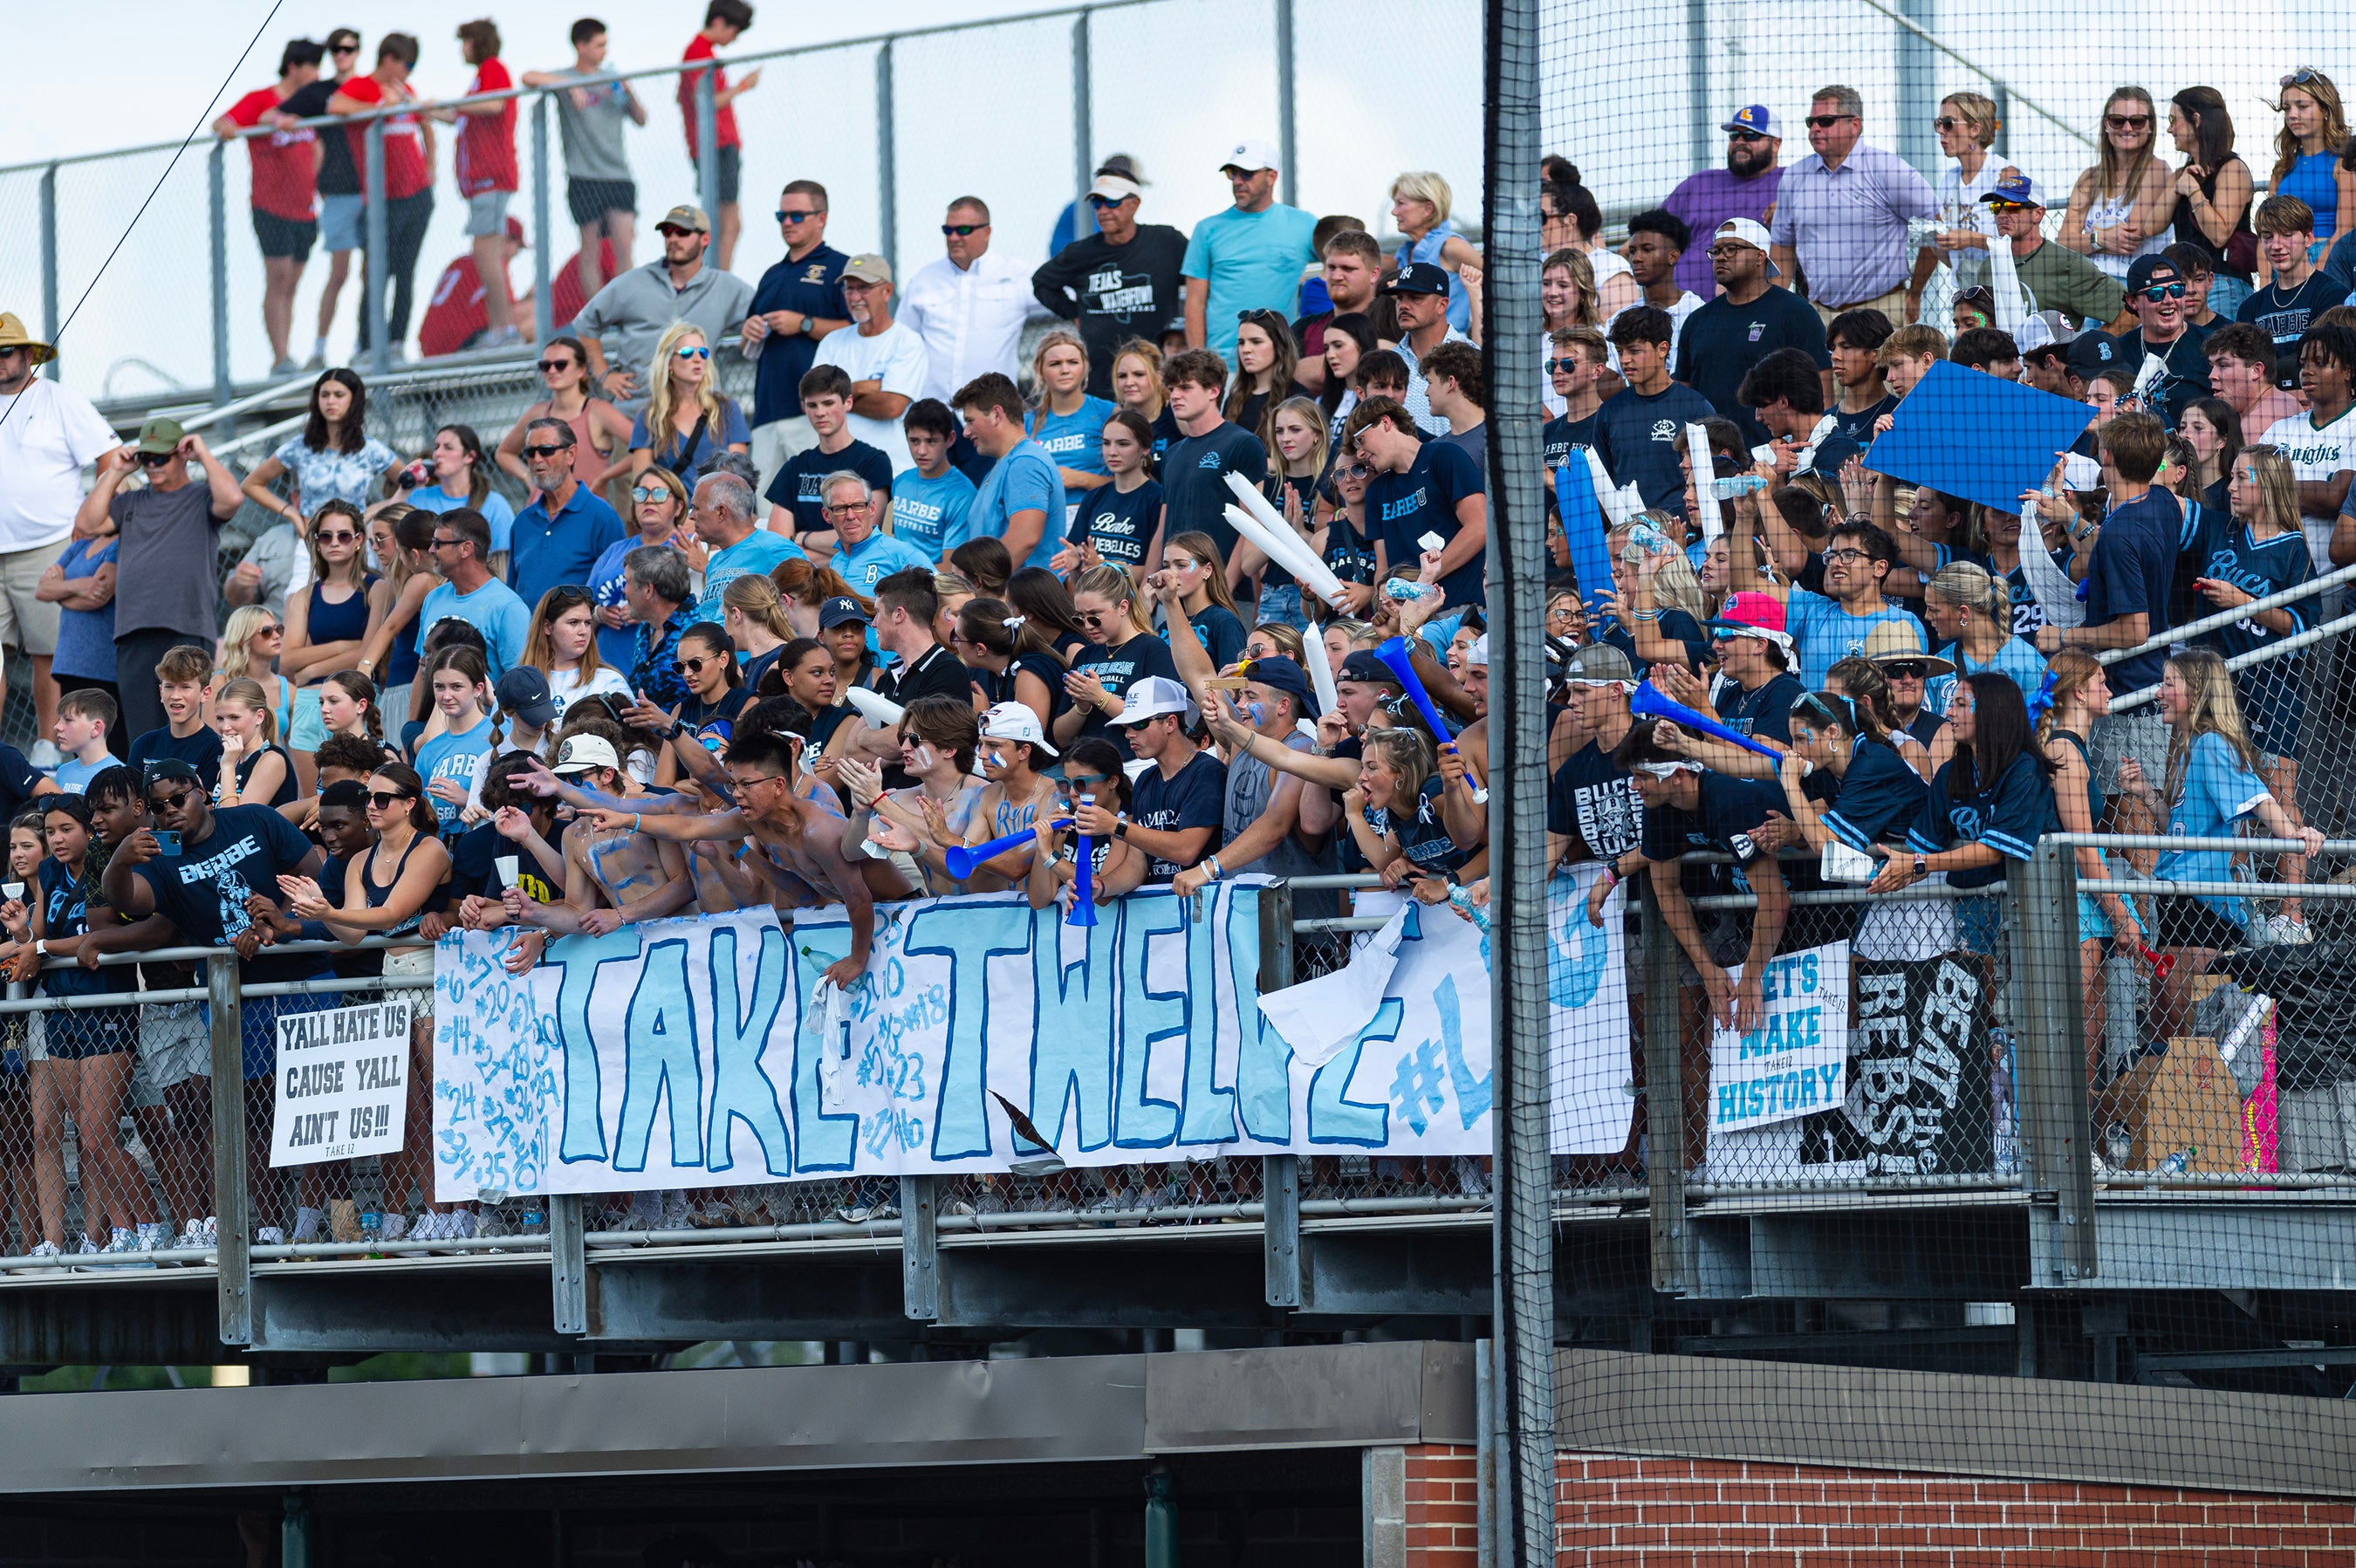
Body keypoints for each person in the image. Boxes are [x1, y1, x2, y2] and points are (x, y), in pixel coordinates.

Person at [2125, 650, 2325, 1037]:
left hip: (2202, 901)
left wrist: (2293, 834)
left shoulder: (2214, 744)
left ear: (2198, 691)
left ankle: (2193, 1096)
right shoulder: (2190, 747)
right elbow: (2182, 825)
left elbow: (2258, 798)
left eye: (2169, 683)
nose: (2159, 692)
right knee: (2165, 1014)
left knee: (2180, 1019)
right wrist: (2147, 794)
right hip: (2177, 894)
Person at [2190, 444, 2318, 940]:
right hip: (2225, 683)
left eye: (2243, 478)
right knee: (2231, 792)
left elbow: (2300, 625)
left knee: (2279, 790)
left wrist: (2244, 603)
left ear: (2267, 485)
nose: (2233, 486)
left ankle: (2294, 912)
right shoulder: (2222, 529)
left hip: (2275, 682)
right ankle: (2240, 899)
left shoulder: (2292, 548)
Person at [2032, 411, 2176, 806]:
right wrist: (2070, 518)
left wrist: (2064, 637)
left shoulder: (2120, 533)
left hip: (2128, 693)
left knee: (2129, 816)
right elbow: (2114, 553)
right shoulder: (2161, 500)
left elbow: (2135, 630)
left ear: (2107, 456)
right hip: (2146, 684)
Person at [76, 421, 239, 743]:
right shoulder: (131, 501)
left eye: (160, 458)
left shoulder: (201, 495)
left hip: (187, 627)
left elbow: (232, 499)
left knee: (190, 729)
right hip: (135, 632)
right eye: (146, 457)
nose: (151, 465)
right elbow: (87, 523)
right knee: (145, 735)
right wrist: (116, 472)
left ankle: (192, 794)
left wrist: (203, 453)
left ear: (182, 455)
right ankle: (151, 794)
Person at [0, 314, 116, 761]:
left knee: (48, 654)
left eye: (5, 351)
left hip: (50, 545)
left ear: (29, 355)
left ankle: (49, 745)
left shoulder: (61, 401)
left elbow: (110, 455)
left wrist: (85, 530)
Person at [1769, 85, 1936, 326]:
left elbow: (1935, 224)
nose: (1815, 129)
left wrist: (1916, 291)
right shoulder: (1795, 177)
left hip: (1882, 312)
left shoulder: (1889, 169)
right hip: (1818, 315)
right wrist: (1775, 306)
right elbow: (1782, 247)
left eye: (1825, 121)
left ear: (1854, 125)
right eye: (1811, 122)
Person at [236, 370, 399, 611]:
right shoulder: (300, 446)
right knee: (298, 601)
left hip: (356, 539)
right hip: (314, 540)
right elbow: (250, 483)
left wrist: (375, 509)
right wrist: (291, 513)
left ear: (354, 400)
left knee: (364, 601)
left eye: (339, 395)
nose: (331, 401)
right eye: (325, 395)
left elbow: (413, 482)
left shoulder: (370, 448)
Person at [214, 38, 328, 375]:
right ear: (294, 66)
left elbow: (318, 143)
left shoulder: (309, 103)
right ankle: (280, 358)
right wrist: (236, 129)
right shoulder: (261, 99)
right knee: (277, 279)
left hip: (305, 209)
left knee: (292, 283)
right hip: (270, 206)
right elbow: (222, 123)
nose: (316, 74)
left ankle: (287, 353)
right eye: (312, 66)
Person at [573, 203, 752, 414]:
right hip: (634, 415)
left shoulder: (726, 287)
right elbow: (585, 324)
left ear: (705, 239)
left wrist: (753, 327)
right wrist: (604, 375)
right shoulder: (633, 282)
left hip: (696, 419)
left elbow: (764, 317)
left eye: (683, 232)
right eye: (668, 232)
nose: (673, 239)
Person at [1031, 172, 1189, 398]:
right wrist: (1073, 313)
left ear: (1134, 204)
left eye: (1112, 202)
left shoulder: (1166, 242)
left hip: (1159, 377)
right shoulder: (1082, 253)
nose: (1103, 211)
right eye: (1097, 203)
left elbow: (1200, 277)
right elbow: (1041, 282)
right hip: (1104, 381)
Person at [522, 17, 646, 305]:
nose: (604, 50)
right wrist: (569, 85)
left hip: (617, 173)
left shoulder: (612, 78)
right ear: (581, 46)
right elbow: (527, 76)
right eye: (599, 45)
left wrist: (629, 90)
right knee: (589, 248)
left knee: (624, 246)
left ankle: (626, 310)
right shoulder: (565, 77)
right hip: (583, 175)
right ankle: (598, 314)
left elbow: (641, 118)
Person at [1675, 218, 1828, 447]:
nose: (1721, 257)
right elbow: (1683, 394)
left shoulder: (1795, 312)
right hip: (1712, 458)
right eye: (1716, 251)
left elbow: (1821, 386)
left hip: (1778, 456)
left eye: (1732, 249)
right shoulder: (1697, 321)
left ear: (1760, 256)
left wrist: (1813, 445)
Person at [330, 33, 436, 360]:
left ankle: (395, 342)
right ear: (389, 60)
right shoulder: (363, 86)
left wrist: (431, 168)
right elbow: (336, 106)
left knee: (406, 272)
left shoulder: (407, 91)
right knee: (376, 272)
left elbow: (425, 125)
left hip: (416, 195)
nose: (409, 72)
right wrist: (379, 108)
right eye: (408, 65)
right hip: (382, 199)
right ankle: (367, 344)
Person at [739, 179, 850, 484]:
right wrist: (748, 332)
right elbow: (746, 348)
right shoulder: (771, 275)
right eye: (782, 216)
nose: (787, 223)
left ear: (821, 218)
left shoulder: (841, 268)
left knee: (818, 504)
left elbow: (857, 331)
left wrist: (803, 323)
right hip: (766, 412)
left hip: (815, 412)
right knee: (764, 511)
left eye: (796, 216)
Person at [899, 197, 1048, 405]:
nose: (954, 237)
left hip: (993, 411)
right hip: (936, 412)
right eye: (948, 230)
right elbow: (903, 341)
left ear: (986, 233)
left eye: (963, 230)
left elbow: (1066, 297)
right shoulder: (923, 280)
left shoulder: (1016, 274)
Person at [1181, 140, 1317, 359]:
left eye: (1246, 173)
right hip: (1224, 366)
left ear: (1271, 177)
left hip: (1283, 364)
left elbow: (1347, 259)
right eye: (1232, 173)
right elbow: (1194, 302)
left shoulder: (1303, 224)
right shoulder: (1207, 229)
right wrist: (1199, 363)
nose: (1237, 181)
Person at [1348, 395, 1485, 609]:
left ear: (1385, 422)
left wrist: (1424, 580)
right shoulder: (1377, 491)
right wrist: (1384, 602)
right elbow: (1382, 568)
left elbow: (1479, 527)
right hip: (1408, 617)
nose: (1359, 453)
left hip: (1460, 608)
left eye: (1361, 440)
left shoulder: (1445, 456)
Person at [280, 29, 366, 366]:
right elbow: (276, 113)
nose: (342, 54)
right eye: (336, 49)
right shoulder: (318, 91)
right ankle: (319, 347)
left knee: (372, 273)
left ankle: (366, 344)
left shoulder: (368, 86)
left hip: (372, 192)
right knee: (339, 273)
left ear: (358, 51)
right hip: (339, 194)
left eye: (349, 48)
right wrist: (283, 119)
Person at [1151, 348, 1268, 583]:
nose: (1174, 395)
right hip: (1173, 589)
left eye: (1185, 387)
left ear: (1213, 390)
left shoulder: (1243, 443)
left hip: (1224, 589)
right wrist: (1150, 590)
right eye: (1172, 388)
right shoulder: (1172, 453)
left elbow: (1252, 524)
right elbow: (1163, 528)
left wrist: (1226, 585)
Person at [278, 499, 386, 752]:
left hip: (358, 703)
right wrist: (342, 646)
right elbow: (288, 658)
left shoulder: (377, 588)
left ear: (359, 539)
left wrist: (312, 668)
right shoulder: (304, 595)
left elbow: (367, 654)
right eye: (326, 536)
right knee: (312, 792)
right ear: (316, 542)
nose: (335, 542)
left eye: (344, 536)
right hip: (311, 702)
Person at [1593, 307, 1716, 514]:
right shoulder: (1609, 412)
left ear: (1662, 349)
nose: (1624, 360)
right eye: (1620, 351)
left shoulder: (1695, 408)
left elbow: (1712, 475)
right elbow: (1600, 482)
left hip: (1682, 533)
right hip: (1627, 533)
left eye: (1634, 351)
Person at [812, 254, 927, 475]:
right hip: (837, 474)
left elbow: (892, 407)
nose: (855, 297)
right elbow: (810, 403)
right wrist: (862, 387)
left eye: (864, 288)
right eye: (849, 289)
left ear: (887, 291)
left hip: (892, 470)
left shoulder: (907, 341)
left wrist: (836, 399)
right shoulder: (832, 341)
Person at [2259, 322, 2356, 574]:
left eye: (2320, 363)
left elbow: (2337, 497)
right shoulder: (2278, 430)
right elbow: (2246, 488)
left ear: (2348, 370)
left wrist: (2271, 487)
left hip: (2329, 580)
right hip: (2273, 574)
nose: (2307, 372)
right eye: (2303, 364)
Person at [1662, 104, 1785, 301]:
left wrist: (1790, 210)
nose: (1739, 141)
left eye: (1750, 136)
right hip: (1682, 309)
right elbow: (1653, 231)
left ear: (1776, 144)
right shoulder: (1700, 183)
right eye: (1734, 135)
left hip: (1751, 307)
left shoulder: (1789, 182)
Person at [449, 18, 522, 348]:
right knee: (486, 254)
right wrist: (425, 110)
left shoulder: (494, 69)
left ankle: (502, 328)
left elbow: (495, 104)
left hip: (491, 178)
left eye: (465, 41)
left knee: (486, 254)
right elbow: (459, 116)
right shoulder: (480, 78)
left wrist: (456, 104)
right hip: (480, 183)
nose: (462, 49)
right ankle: (501, 328)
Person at [1054, 565, 1181, 754]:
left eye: (1094, 616)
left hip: (1134, 764)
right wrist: (1081, 708)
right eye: (1080, 617)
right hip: (1088, 767)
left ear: (1123, 607)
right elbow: (1061, 738)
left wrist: (1101, 698)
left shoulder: (1152, 649)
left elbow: (1160, 725)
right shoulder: (1085, 655)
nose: (1087, 626)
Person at [510, 418, 628, 619]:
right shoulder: (522, 522)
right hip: (530, 644)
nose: (537, 459)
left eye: (546, 450)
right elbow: (513, 593)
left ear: (570, 454)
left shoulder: (602, 517)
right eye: (530, 452)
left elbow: (617, 590)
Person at [763, 366, 893, 547]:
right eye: (812, 405)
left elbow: (863, 540)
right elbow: (778, 546)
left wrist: (801, 538)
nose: (820, 413)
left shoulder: (873, 462)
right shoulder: (795, 467)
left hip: (853, 574)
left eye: (828, 403)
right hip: (800, 575)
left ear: (848, 402)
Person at [949, 373, 1066, 573]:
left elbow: (1025, 538)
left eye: (970, 421)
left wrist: (978, 587)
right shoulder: (1006, 463)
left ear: (996, 414)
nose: (966, 432)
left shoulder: (1025, 462)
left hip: (1024, 601)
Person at [2060, 86, 2177, 283]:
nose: (2127, 128)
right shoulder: (2089, 178)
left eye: (2137, 121)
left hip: (2136, 283)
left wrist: (2085, 241)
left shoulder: (2158, 169)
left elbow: (2130, 237)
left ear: (2151, 126)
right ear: (2106, 124)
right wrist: (2100, 239)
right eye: (2117, 120)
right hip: (2090, 281)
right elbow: (2063, 241)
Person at [677, 0, 759, 269]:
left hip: (720, 145)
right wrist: (743, 86)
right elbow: (707, 101)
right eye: (733, 31)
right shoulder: (697, 52)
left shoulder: (703, 53)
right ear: (719, 22)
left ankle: (716, 279)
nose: (733, 39)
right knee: (728, 222)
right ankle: (717, 281)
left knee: (727, 221)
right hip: (716, 145)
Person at [2237, 197, 2348, 392]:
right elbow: (2245, 371)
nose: (2276, 245)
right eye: (2267, 236)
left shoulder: (2333, 296)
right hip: (2265, 408)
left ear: (2308, 239)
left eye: (2287, 235)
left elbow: (2332, 365)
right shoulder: (2250, 307)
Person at [2168, 86, 2257, 319]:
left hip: (2222, 283)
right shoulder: (2183, 174)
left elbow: (2219, 235)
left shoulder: (2232, 169)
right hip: (2186, 288)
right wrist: (2179, 184)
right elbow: (2150, 225)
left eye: (2173, 120)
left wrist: (2194, 191)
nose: (2170, 129)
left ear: (2195, 120)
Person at [627, 323, 750, 490]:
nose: (698, 358)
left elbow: (738, 480)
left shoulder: (728, 410)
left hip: (718, 510)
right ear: (668, 362)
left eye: (703, 352)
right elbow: (643, 485)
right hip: (673, 513)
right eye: (687, 353)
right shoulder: (649, 417)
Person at [416, 508, 532, 681]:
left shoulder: (508, 607)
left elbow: (520, 682)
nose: (432, 550)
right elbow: (421, 671)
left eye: (438, 543)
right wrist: (417, 710)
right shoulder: (433, 598)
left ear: (466, 548)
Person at [1921, 562, 2044, 713]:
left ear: (1963, 612)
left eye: (1934, 610)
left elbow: (2040, 728)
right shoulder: (1939, 666)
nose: (1927, 616)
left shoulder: (2026, 661)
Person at [2268, 67, 2356, 277]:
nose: (2293, 115)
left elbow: (2345, 228)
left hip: (2329, 261)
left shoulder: (2343, 165)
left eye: (2303, 106)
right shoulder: (2282, 169)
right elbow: (2266, 231)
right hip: (2282, 262)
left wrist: (2317, 274)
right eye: (2287, 108)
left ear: (2326, 110)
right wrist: (2264, 283)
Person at [520, 584, 631, 726]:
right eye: (574, 623)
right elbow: (501, 741)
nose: (583, 631)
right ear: (548, 627)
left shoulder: (611, 682)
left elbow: (633, 742)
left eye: (587, 623)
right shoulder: (520, 682)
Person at [1389, 171, 1483, 339]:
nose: (1394, 212)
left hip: (1450, 350)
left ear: (1428, 209)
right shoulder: (1406, 252)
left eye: (1401, 203)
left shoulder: (1450, 246)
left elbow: (1500, 280)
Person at [813, 473, 928, 600]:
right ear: (827, 515)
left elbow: (945, 598)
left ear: (872, 509)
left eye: (858, 506)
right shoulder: (836, 561)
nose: (851, 516)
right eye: (840, 508)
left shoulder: (901, 554)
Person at [690, 470, 800, 600]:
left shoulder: (773, 549)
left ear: (721, 512)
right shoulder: (715, 562)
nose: (691, 516)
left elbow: (812, 599)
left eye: (696, 508)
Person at [890, 400, 976, 565]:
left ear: (950, 439)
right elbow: (898, 543)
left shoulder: (963, 494)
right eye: (914, 441)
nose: (921, 451)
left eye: (931, 441)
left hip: (933, 587)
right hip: (895, 581)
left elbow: (951, 567)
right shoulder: (901, 482)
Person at [2205, 322, 2301, 443]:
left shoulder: (2257, 423)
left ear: (2256, 370)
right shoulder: (2282, 401)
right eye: (2212, 366)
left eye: (2223, 365)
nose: (2212, 376)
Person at [49, 690, 116, 795]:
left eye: (68, 720)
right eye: (59, 719)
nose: (57, 726)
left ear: (96, 728)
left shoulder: (116, 776)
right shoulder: (63, 771)